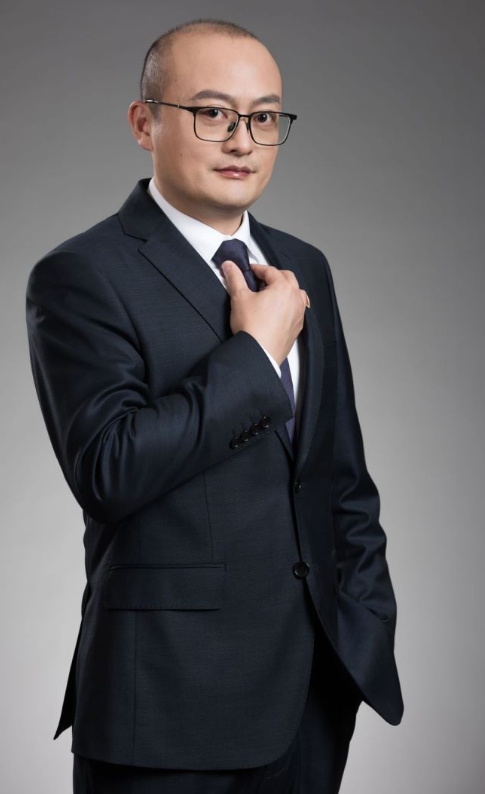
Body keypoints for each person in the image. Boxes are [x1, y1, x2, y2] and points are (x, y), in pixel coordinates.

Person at [26, 18, 403, 794]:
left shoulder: (302, 267)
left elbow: (338, 477)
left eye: (262, 117)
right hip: (166, 705)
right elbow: (109, 470)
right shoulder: (82, 273)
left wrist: (362, 625)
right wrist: (254, 356)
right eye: (211, 113)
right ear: (144, 123)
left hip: (311, 695)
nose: (242, 141)